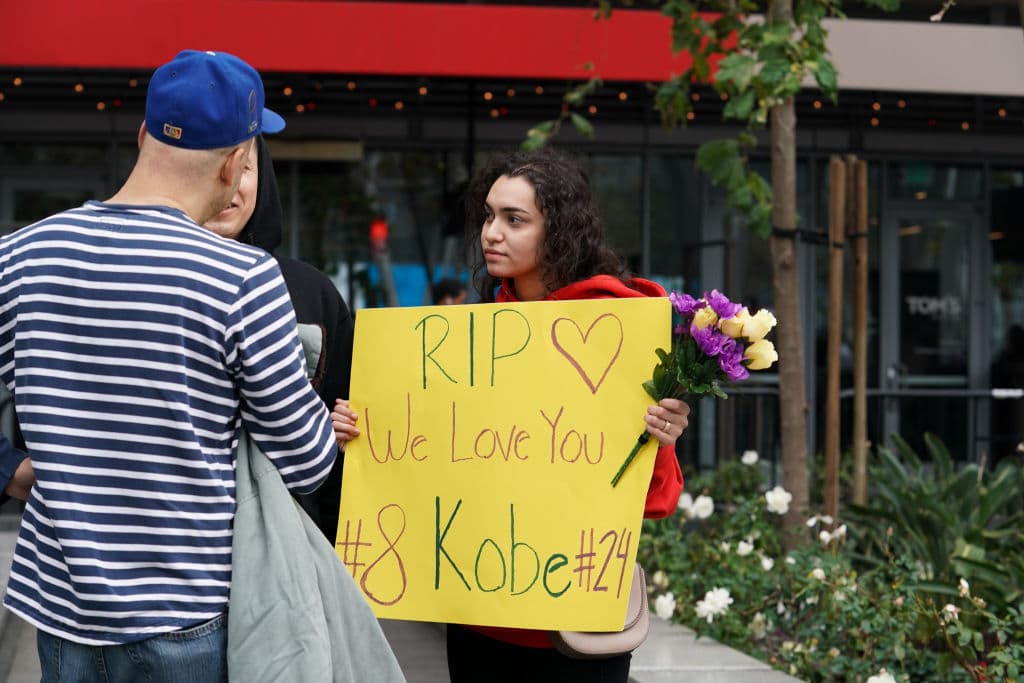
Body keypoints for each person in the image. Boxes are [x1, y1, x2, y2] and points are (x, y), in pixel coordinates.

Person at [0, 50, 337, 681]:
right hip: (185, 623)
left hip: (57, 611)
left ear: (142, 136)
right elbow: (307, 462)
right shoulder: (242, 277)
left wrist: (9, 468)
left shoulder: (24, 252)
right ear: (239, 163)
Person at [331, 146, 688, 681]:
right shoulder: (467, 341)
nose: (491, 233)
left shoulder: (617, 332)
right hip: (476, 618)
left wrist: (660, 437)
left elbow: (657, 501)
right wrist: (363, 435)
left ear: (560, 230)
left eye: (514, 219)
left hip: (575, 623)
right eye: (489, 216)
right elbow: (432, 463)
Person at [204, 134, 354, 542]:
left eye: (244, 168)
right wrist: (10, 470)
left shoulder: (311, 290)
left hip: (289, 548)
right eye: (215, 163)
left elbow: (348, 418)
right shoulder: (150, 282)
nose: (230, 182)